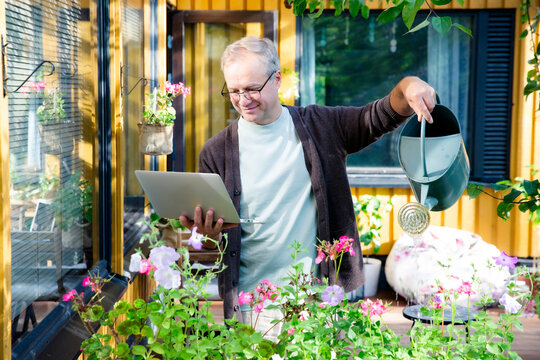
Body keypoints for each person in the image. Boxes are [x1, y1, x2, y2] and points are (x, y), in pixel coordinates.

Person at [180, 36, 437, 327]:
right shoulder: (215, 152)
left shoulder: (322, 126)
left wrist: (409, 85)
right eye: (234, 91)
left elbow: (378, 117)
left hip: (317, 302)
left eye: (252, 88)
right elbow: (212, 248)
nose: (243, 100)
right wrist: (208, 233)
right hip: (250, 307)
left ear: (276, 79)